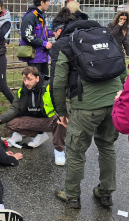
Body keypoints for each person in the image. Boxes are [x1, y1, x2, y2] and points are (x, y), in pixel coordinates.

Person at [49, 7, 127, 209]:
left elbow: (57, 83)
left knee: (75, 151)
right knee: (107, 146)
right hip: (114, 102)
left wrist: (61, 112)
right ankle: (105, 193)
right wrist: (123, 100)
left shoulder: (64, 44)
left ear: (61, 28)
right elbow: (121, 68)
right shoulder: (106, 35)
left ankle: (72, 195)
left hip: (86, 106)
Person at [0, 66, 66, 165]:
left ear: (37, 78)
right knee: (10, 123)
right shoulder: (22, 90)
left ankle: (59, 150)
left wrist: (64, 117)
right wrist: (0, 119)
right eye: (24, 79)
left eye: (30, 79)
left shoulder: (49, 87)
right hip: (34, 120)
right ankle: (39, 135)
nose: (26, 82)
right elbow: (15, 109)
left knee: (61, 118)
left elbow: (61, 105)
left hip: (49, 119)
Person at [19, 0, 53, 75]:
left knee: (44, 81)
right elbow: (27, 36)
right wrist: (44, 43)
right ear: (42, 2)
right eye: (48, 1)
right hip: (34, 58)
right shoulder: (30, 17)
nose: (49, 4)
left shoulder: (40, 15)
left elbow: (43, 33)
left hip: (43, 57)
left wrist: (55, 32)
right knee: (33, 82)